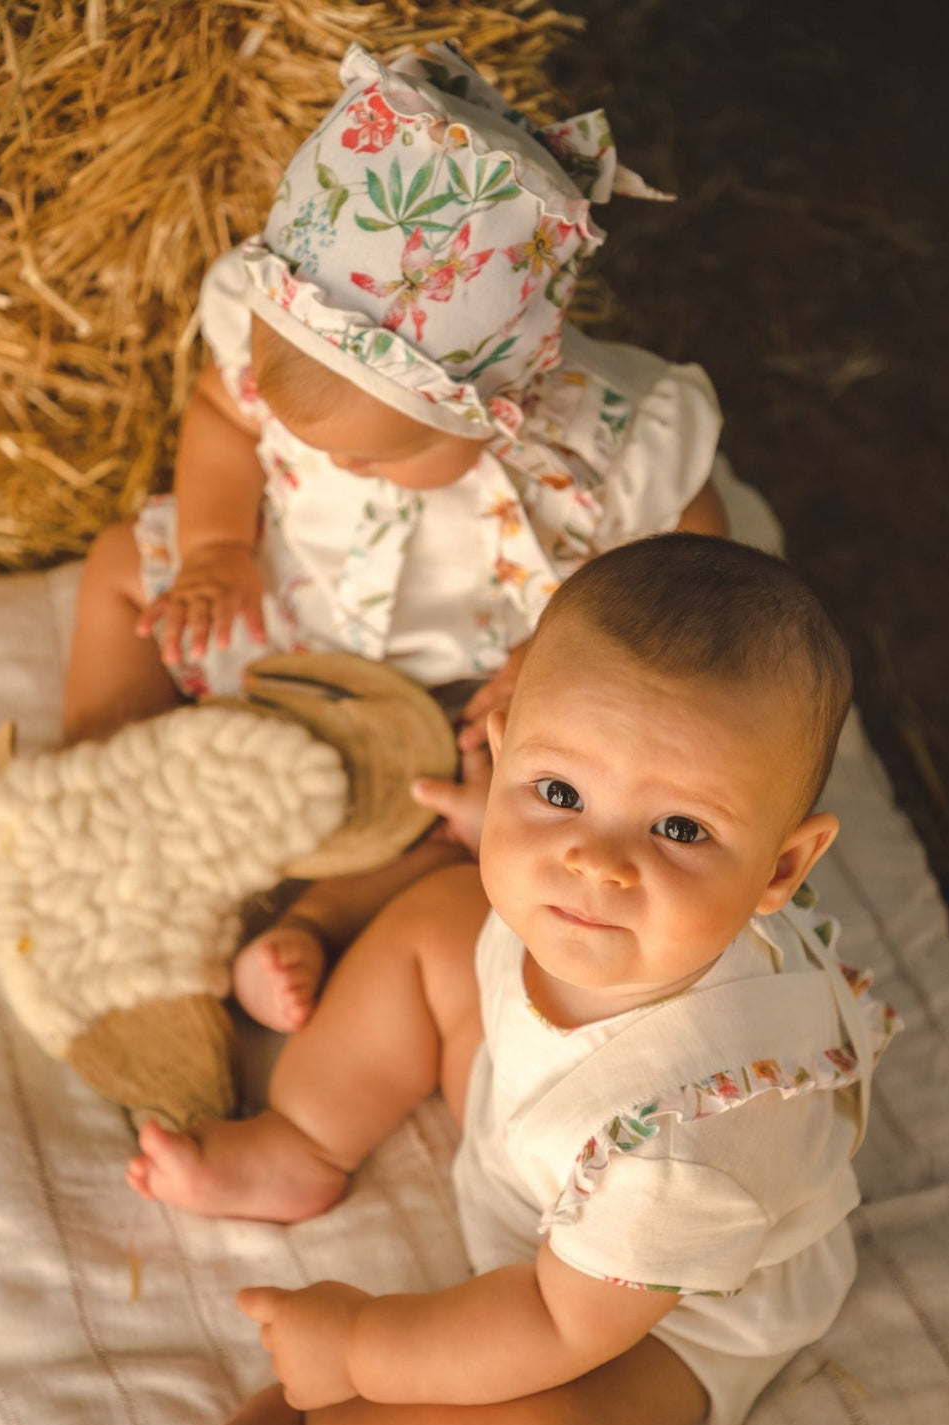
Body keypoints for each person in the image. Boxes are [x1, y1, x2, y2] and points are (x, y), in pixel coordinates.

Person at [125, 534, 901, 1425]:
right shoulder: (563, 891)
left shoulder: (689, 1152)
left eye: (678, 830)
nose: (593, 863)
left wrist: (361, 1348)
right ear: (496, 755)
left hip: (651, 1310)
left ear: (780, 868)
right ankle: (298, 1143)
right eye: (560, 794)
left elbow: (549, 1322)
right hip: (532, 1126)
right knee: (437, 923)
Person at [62, 39, 750, 1034]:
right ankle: (98, 775)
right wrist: (215, 548)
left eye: (377, 459)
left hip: (465, 684)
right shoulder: (273, 342)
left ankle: (314, 921)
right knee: (122, 570)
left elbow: (692, 555)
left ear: (497, 407)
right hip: (294, 610)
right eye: (311, 445)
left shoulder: (605, 435)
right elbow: (219, 416)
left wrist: (555, 663)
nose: (339, 471)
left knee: (490, 813)